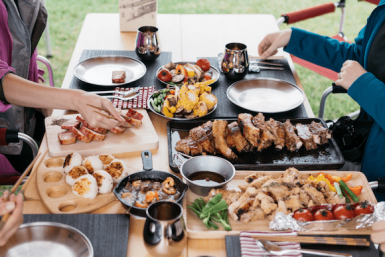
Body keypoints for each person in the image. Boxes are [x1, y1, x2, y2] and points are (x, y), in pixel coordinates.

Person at [258, 0, 385, 251]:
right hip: (363, 153)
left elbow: (361, 75)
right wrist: (292, 37)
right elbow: (357, 58)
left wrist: (363, 85)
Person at [0, 0, 125, 174]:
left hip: (28, 116)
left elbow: (21, 56)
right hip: (8, 137)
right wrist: (76, 99)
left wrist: (45, 104)